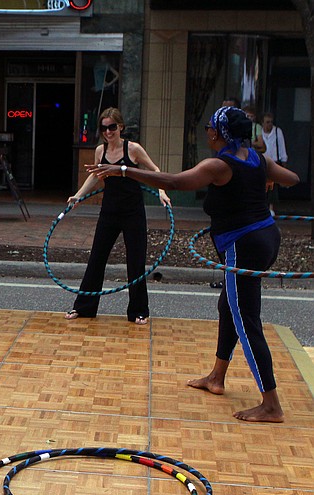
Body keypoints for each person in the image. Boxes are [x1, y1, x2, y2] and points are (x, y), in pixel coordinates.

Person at [87, 106, 299, 423]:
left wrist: (124, 171)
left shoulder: (218, 165)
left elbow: (173, 181)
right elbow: (292, 179)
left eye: (209, 127)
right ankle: (216, 377)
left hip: (244, 245)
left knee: (246, 320)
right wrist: (266, 179)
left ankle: (271, 405)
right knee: (228, 306)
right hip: (267, 236)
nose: (207, 132)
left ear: (218, 133)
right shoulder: (258, 159)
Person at [65, 107, 170, 325]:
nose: (108, 132)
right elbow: (95, 177)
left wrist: (161, 191)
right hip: (109, 212)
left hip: (133, 212)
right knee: (96, 258)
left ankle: (139, 311)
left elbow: (155, 170)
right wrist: (78, 195)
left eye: (112, 127)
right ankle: (83, 307)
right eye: (104, 128)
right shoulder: (100, 151)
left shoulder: (133, 149)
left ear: (120, 126)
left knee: (135, 262)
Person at [261, 112, 288, 215]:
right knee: (262, 184)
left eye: (271, 122)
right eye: (267, 122)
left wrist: (284, 162)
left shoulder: (277, 132)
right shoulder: (259, 132)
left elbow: (281, 147)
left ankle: (271, 207)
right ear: (263, 123)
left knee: (272, 186)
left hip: (274, 161)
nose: (269, 124)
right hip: (262, 161)